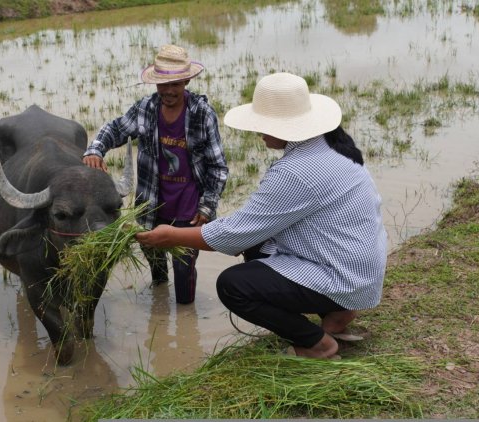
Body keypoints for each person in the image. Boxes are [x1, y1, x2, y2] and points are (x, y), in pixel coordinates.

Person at [135, 72, 387, 359]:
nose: (258, 132)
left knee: (233, 286)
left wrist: (170, 236)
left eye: (263, 125)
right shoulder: (331, 146)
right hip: (360, 265)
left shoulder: (294, 172)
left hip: (344, 275)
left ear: (286, 126)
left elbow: (233, 235)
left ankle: (317, 343)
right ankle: (338, 311)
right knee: (257, 244)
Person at [83, 44, 228, 305]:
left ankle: (186, 325)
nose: (169, 91)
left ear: (186, 80)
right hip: (150, 206)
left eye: (175, 84)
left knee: (184, 271)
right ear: (156, 83)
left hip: (190, 211)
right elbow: (115, 129)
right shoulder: (145, 110)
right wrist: (95, 150)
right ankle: (159, 306)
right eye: (163, 84)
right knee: (156, 267)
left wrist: (207, 206)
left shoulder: (201, 114)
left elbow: (218, 167)